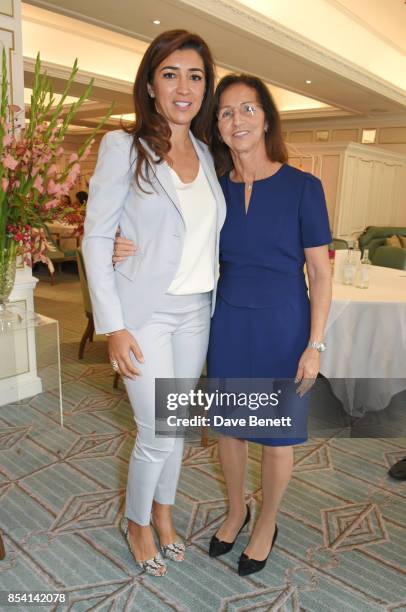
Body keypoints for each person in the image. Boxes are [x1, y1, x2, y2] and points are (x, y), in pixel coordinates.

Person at [113, 74, 332, 577]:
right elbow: (168, 233)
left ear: (267, 118)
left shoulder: (304, 187)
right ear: (218, 123)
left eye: (248, 109)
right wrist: (118, 245)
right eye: (227, 112)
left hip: (285, 325)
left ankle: (266, 522)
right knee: (230, 432)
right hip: (227, 322)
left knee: (276, 436)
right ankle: (237, 510)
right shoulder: (214, 188)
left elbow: (320, 272)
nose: (238, 121)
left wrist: (315, 343)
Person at [82, 30, 226, 577]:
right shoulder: (124, 147)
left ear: (205, 87)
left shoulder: (210, 155)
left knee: (179, 425)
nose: (183, 87)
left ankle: (164, 512)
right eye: (170, 74)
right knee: (158, 428)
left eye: (195, 75)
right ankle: (136, 520)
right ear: (150, 83)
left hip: (197, 312)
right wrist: (112, 325)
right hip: (144, 312)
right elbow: (97, 237)